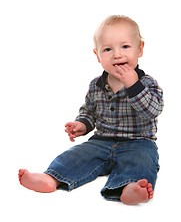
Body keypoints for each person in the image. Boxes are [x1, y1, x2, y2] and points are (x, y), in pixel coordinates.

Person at [19, 15, 164, 205]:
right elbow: (89, 111)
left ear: (140, 49)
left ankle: (130, 187)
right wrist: (82, 124)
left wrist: (133, 85)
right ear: (97, 55)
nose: (117, 54)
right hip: (101, 141)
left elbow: (153, 110)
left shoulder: (147, 83)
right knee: (77, 154)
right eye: (108, 49)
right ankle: (52, 177)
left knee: (143, 160)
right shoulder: (96, 85)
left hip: (139, 142)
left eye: (125, 47)